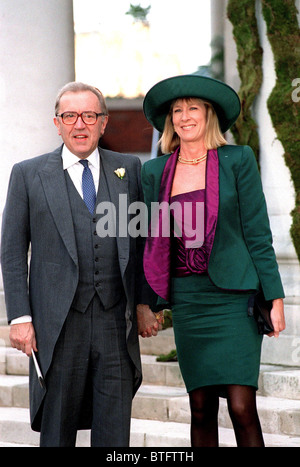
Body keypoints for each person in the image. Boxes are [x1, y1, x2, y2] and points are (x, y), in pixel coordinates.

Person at [0, 82, 156, 447]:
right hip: (57, 325)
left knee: (115, 433)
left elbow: (142, 242)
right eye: (70, 115)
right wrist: (20, 317)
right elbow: (11, 250)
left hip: (115, 324)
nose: (79, 124)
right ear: (57, 123)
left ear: (104, 122)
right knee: (57, 431)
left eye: (89, 115)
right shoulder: (28, 174)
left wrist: (146, 303)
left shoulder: (129, 169)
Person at [141, 74, 286, 447]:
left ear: (209, 116)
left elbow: (257, 233)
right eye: (177, 110)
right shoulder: (154, 172)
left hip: (235, 299)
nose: (184, 117)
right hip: (189, 301)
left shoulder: (238, 160)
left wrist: (276, 299)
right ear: (170, 120)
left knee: (241, 407)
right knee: (201, 407)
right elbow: (146, 240)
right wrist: (147, 301)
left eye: (193, 109)